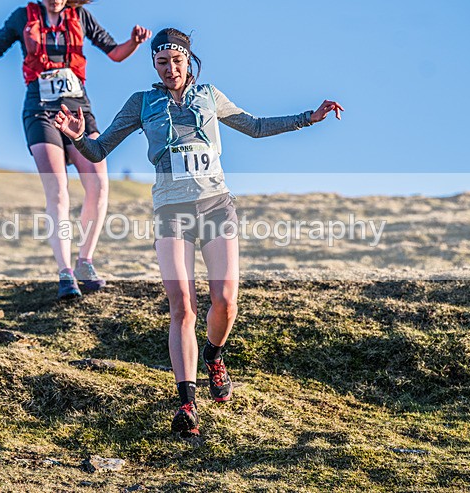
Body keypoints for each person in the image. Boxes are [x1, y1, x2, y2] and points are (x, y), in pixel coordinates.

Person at [55, 28, 344, 437]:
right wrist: (78, 136)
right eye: (162, 63)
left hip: (215, 206)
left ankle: (214, 356)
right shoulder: (142, 103)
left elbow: (256, 126)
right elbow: (99, 151)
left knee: (225, 301)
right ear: (153, 65)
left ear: (188, 61)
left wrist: (306, 119)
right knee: (182, 306)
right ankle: (187, 403)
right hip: (170, 210)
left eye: (177, 61)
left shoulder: (209, 95)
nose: (171, 69)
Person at [0, 0, 151, 299]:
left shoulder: (80, 18)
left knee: (98, 184)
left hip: (78, 109)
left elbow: (115, 52)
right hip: (40, 110)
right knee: (59, 192)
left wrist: (134, 42)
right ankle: (65, 272)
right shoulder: (23, 17)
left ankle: (85, 260)